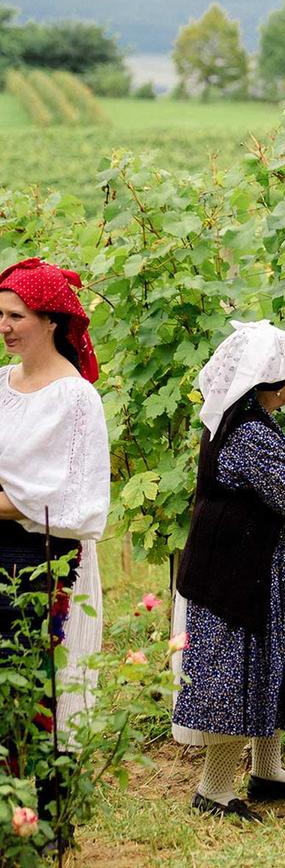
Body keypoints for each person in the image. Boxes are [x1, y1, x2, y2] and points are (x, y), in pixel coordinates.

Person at [170, 320, 285, 822]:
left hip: (250, 572)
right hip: (241, 580)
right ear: (274, 384)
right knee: (241, 675)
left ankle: (267, 773)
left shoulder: (241, 418)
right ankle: (214, 791)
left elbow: (276, 462)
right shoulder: (250, 431)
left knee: (266, 668)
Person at [0, 257, 110, 826]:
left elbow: (75, 499)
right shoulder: (2, 385)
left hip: (41, 558)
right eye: (1, 314)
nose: (6, 325)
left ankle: (44, 820)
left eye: (17, 315)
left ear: (49, 321)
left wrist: (10, 500)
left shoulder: (76, 400)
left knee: (36, 686)